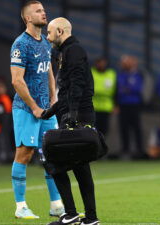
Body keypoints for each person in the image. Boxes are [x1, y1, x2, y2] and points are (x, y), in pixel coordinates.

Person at [9, 1, 63, 219]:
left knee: (53, 154)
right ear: (28, 18)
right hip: (26, 108)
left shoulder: (44, 42)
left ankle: (56, 205)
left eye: (43, 9)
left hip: (46, 110)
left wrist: (54, 97)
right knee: (25, 153)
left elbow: (48, 69)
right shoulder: (21, 44)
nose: (44, 12)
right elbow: (16, 80)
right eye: (38, 11)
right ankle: (20, 206)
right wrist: (34, 107)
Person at [43, 17, 100, 225]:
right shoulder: (65, 52)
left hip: (78, 114)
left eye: (49, 32)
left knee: (54, 162)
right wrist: (51, 112)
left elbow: (78, 85)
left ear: (59, 31)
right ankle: (89, 217)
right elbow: (67, 91)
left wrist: (72, 114)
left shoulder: (73, 51)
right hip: (73, 112)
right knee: (79, 165)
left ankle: (72, 213)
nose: (47, 37)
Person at [116, 55, 145, 159]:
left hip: (134, 105)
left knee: (136, 128)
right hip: (123, 105)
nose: (125, 64)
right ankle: (125, 150)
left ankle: (139, 151)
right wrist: (127, 89)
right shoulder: (121, 74)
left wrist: (127, 89)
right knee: (124, 129)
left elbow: (137, 89)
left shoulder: (138, 74)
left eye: (128, 62)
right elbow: (119, 89)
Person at [91, 57, 116, 136]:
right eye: (100, 63)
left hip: (106, 107)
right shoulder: (91, 73)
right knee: (93, 129)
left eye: (103, 63)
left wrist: (116, 105)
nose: (101, 65)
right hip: (93, 106)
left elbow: (116, 90)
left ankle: (102, 144)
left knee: (105, 129)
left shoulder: (111, 74)